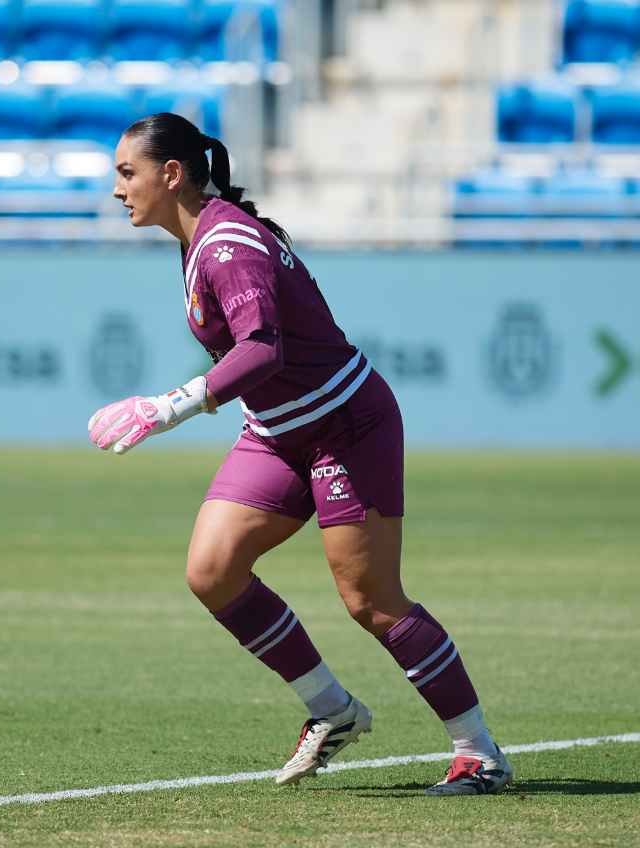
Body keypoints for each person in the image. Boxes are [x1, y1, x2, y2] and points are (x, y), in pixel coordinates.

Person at [88, 113, 511, 796]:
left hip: (346, 424)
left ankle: (479, 754)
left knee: (371, 601)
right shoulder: (198, 239)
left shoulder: (226, 244)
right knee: (212, 571)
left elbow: (262, 349)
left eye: (126, 172)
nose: (116, 188)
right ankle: (332, 710)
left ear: (170, 174)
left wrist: (169, 406)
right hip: (278, 431)